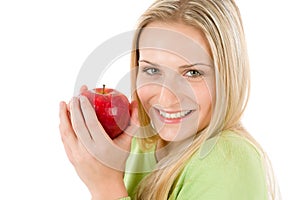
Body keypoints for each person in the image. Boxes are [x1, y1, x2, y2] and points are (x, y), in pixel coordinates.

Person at [59, 0, 280, 199]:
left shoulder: (230, 161)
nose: (166, 97)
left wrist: (105, 185)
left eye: (193, 73)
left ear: (227, 77)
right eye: (152, 70)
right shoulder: (141, 143)